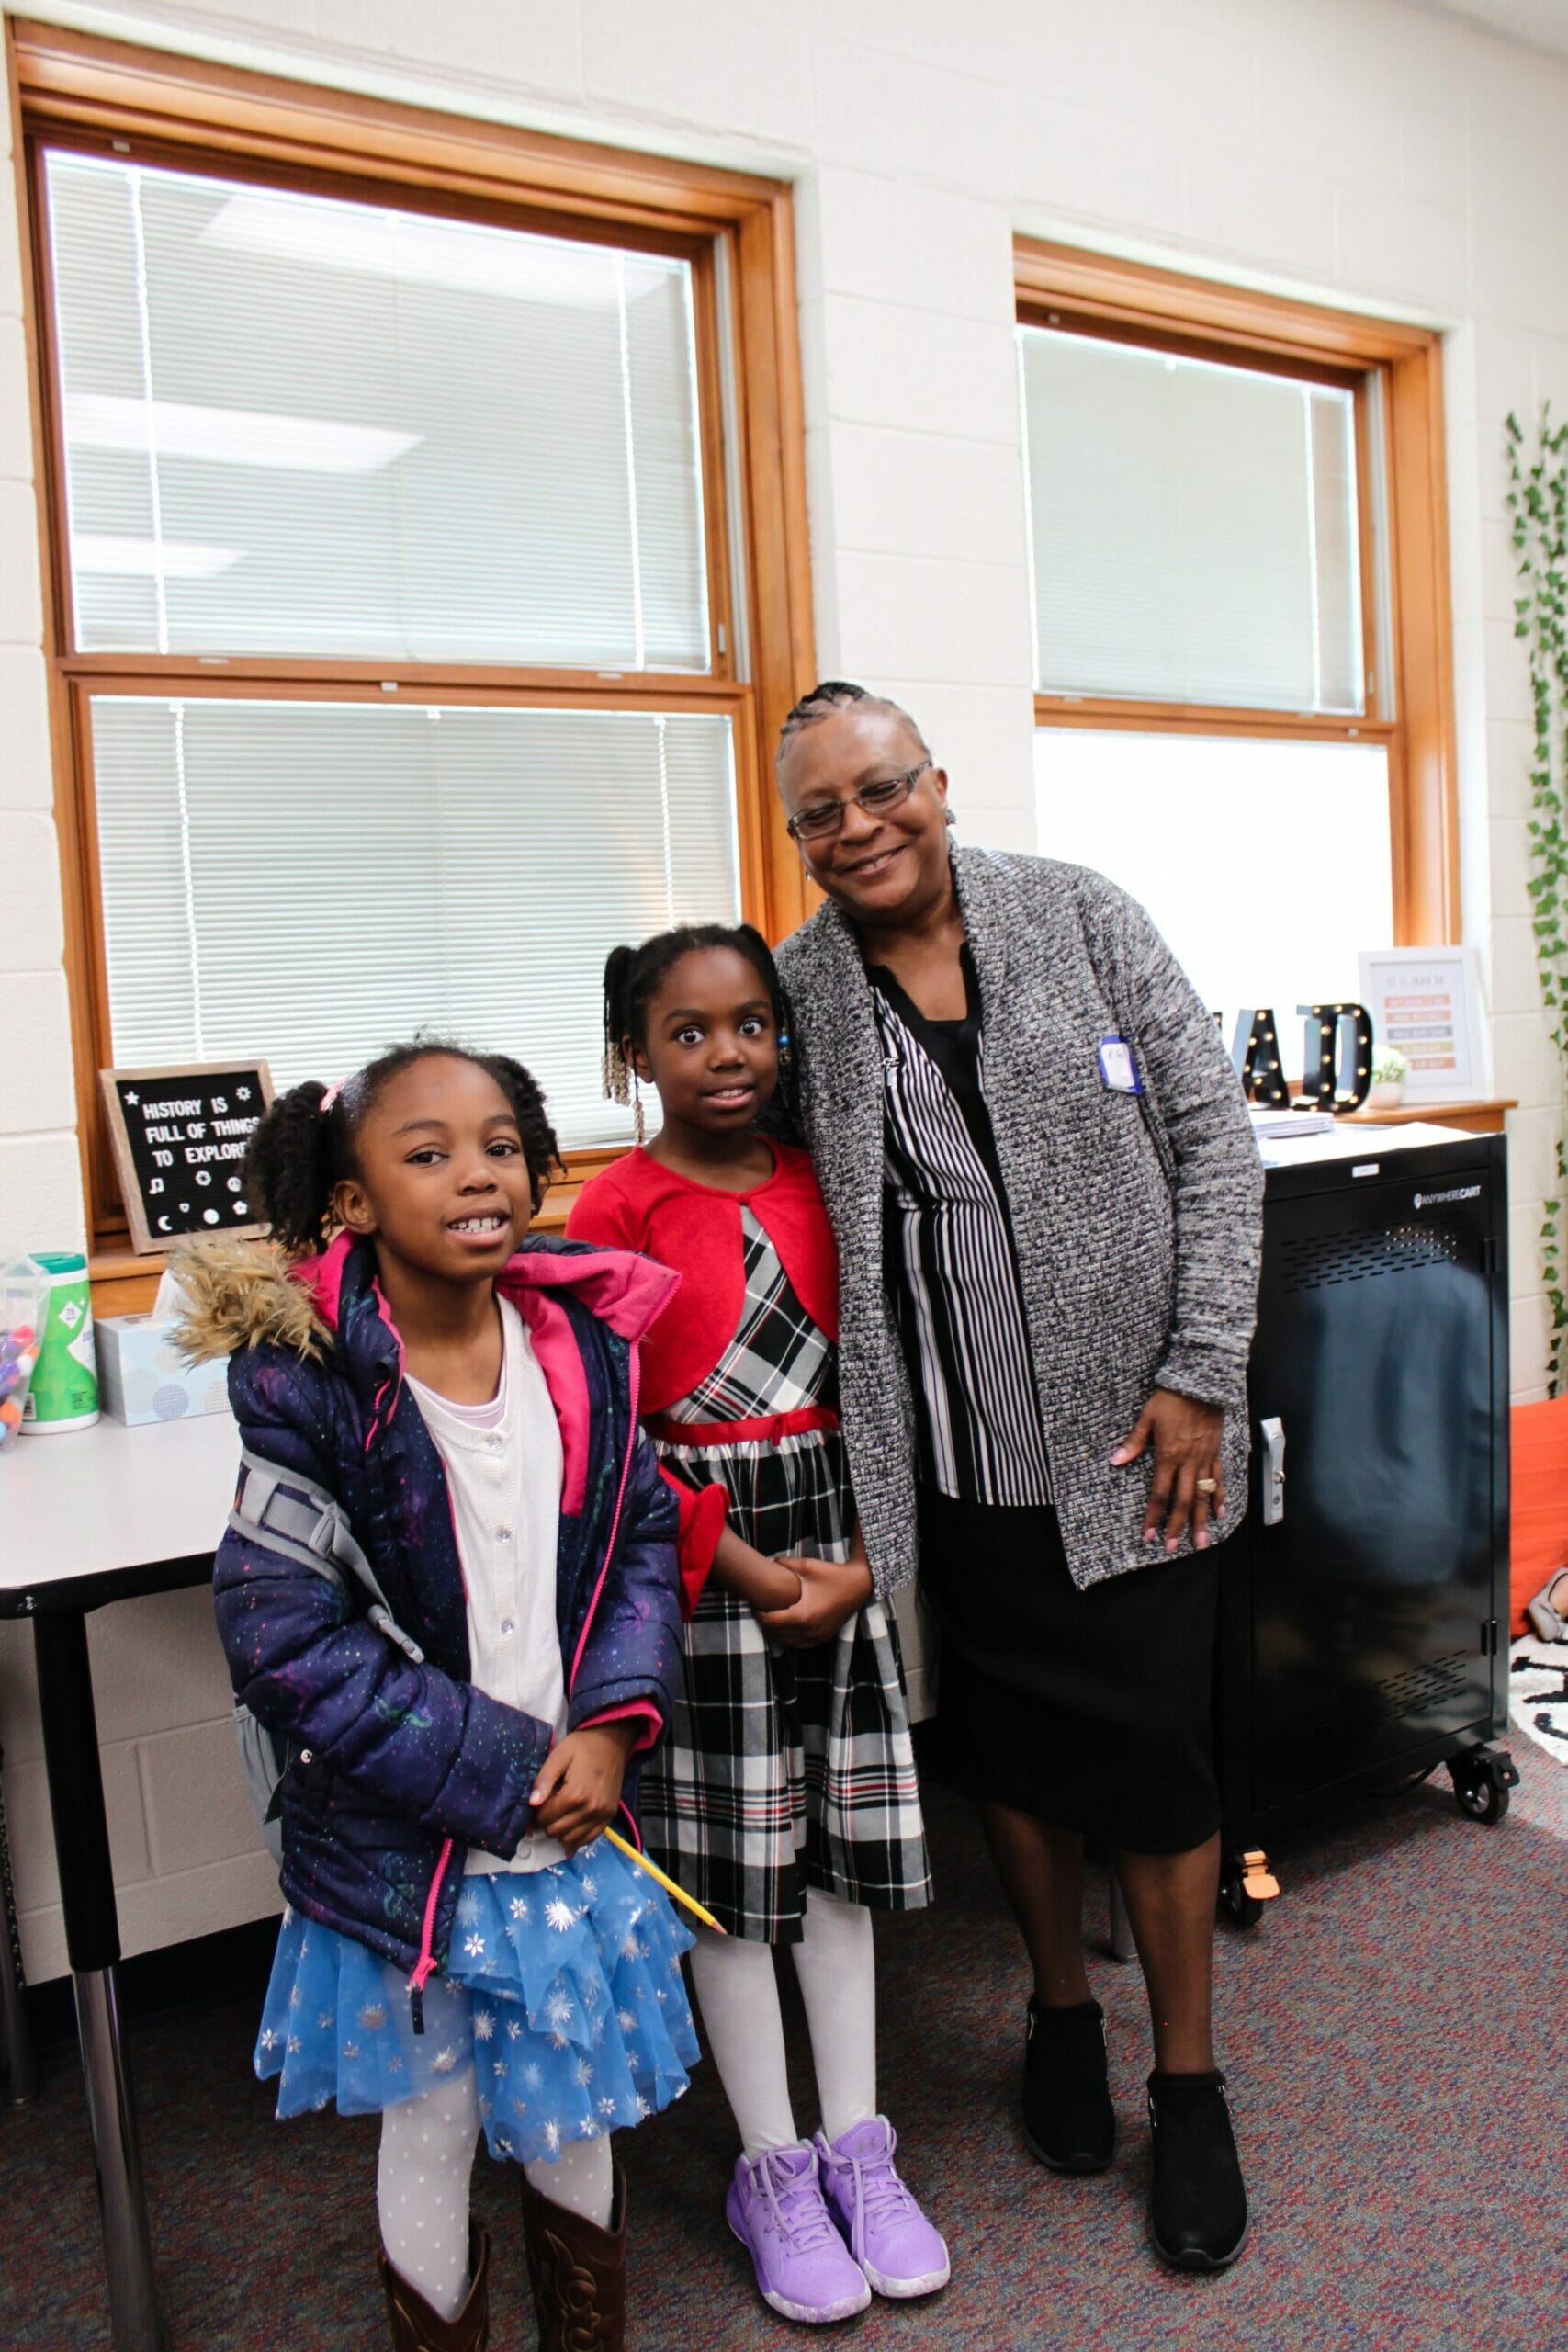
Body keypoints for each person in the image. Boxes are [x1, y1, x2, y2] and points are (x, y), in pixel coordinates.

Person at [767, 682, 1265, 2273]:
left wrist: (1199, 1374)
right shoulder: (802, 988)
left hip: (1141, 1453)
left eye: (883, 789)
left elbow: (1215, 1141)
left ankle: (1188, 2085)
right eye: (823, 814)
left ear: (937, 782)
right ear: (799, 840)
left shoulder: (1079, 914)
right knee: (1018, 1759)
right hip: (958, 1459)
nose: (861, 828)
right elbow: (754, 1175)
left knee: (1160, 1767)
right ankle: (1059, 2014)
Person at [175, 1041, 700, 2352]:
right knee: (434, 2121)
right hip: (412, 1846)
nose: (478, 1174)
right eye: (429, 1153)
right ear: (351, 1201)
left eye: (501, 1146)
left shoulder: (582, 1346)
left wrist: (610, 1724)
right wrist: (506, 1772)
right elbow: (286, 1642)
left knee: (574, 2112)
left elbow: (639, 1539)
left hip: (567, 1825)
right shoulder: (304, 1385)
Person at [566, 924, 949, 2326]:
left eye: (750, 1025)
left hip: (834, 1534)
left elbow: (882, 1384)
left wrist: (856, 1563)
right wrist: (742, 1571)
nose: (726, 1055)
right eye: (688, 1032)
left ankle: (860, 2150)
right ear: (635, 1052)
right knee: (733, 1875)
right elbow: (608, 1433)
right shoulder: (612, 1210)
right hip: (704, 1561)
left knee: (834, 1863)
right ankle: (774, 2170)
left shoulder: (821, 1177)